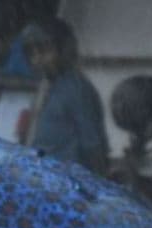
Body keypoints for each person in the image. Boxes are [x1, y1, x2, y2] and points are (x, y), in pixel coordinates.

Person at [20, 18, 109, 175]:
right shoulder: (47, 87)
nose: (37, 60)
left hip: (67, 181)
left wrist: (97, 185)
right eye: (31, 54)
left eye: (44, 51)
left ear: (65, 49)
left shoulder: (76, 89)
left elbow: (93, 145)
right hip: (43, 176)